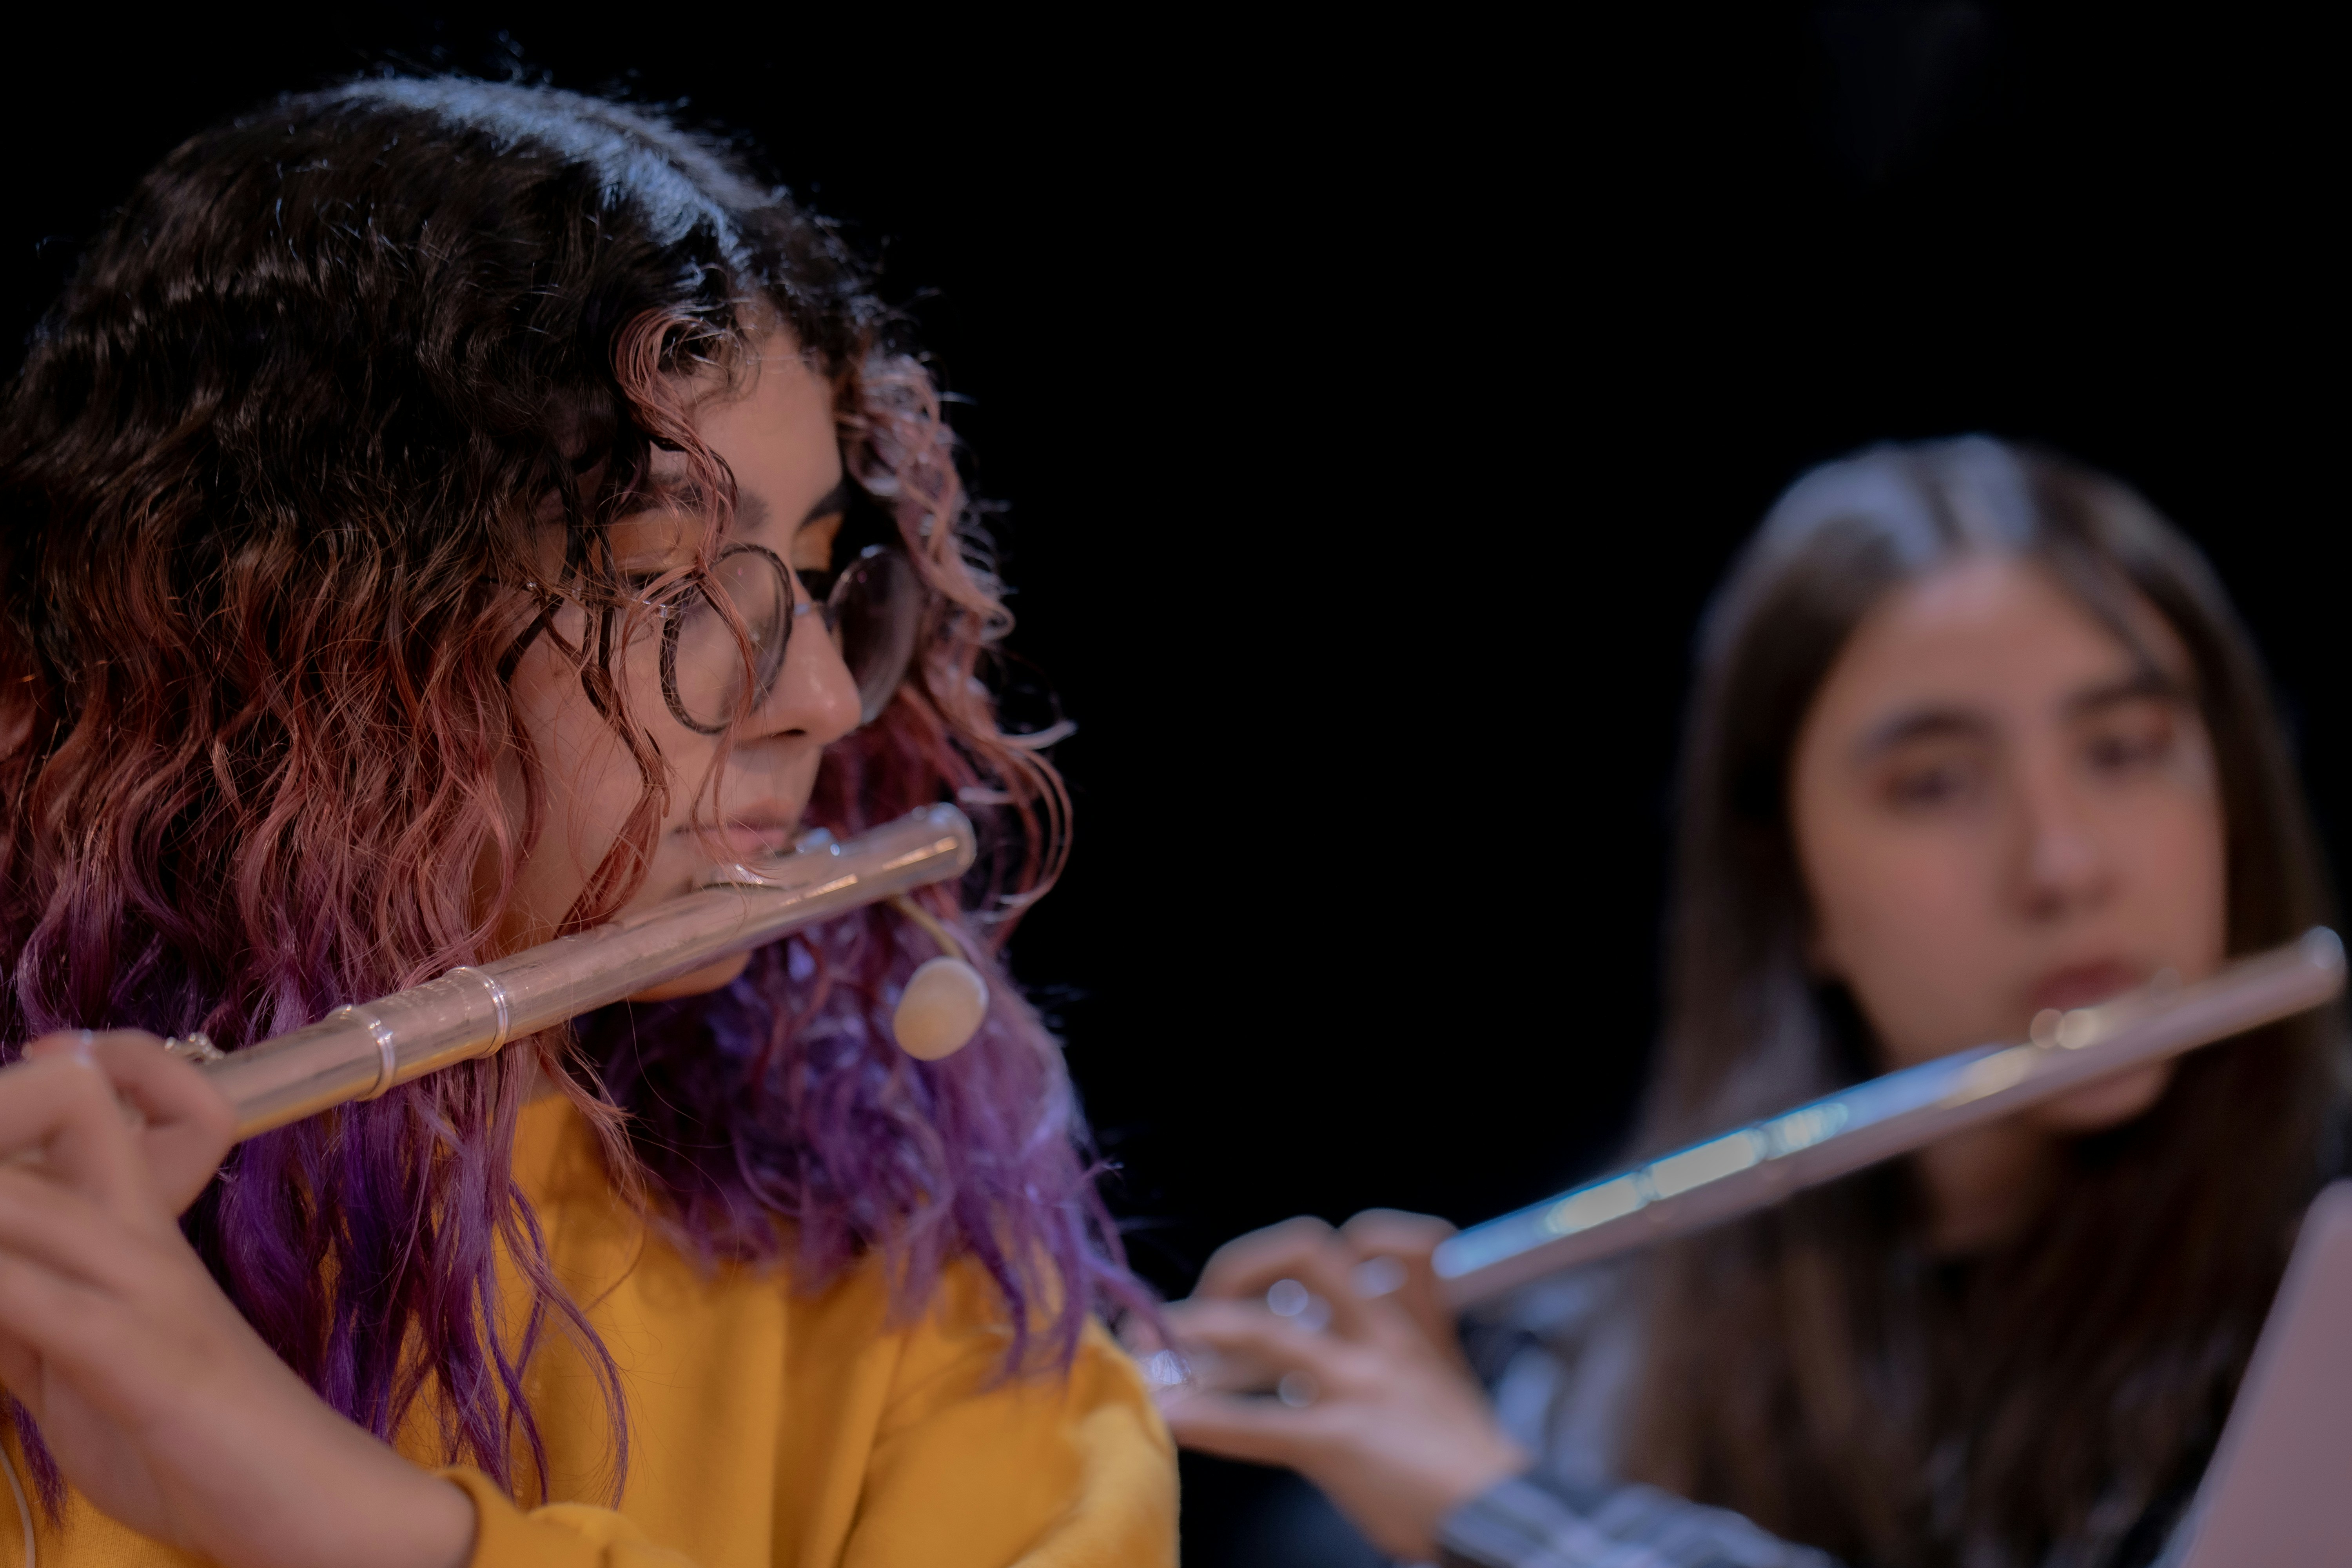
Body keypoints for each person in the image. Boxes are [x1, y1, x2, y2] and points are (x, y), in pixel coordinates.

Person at [0, 78, 1174, 1567]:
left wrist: (355, 1523)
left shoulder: (914, 1276)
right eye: (665, 576)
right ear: (301, 637)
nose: (818, 691)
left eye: (813, 571)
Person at [1160, 437, 2343, 1568]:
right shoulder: (1627, 1345)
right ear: (1793, 891)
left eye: (2127, 751)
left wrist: (1497, 1508)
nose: (2064, 863)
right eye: (1935, 785)